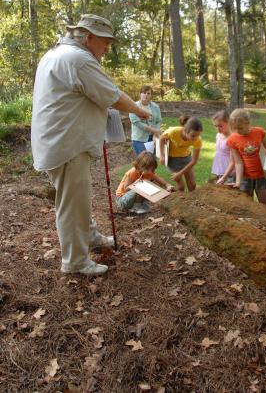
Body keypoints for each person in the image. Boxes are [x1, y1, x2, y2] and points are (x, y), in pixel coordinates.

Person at [31, 14, 150, 276]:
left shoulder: (57, 54)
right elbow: (112, 95)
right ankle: (74, 261)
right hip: (65, 144)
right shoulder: (79, 59)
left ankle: (91, 237)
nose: (107, 48)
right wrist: (139, 111)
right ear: (89, 37)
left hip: (58, 141)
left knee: (78, 199)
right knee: (72, 205)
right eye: (105, 42)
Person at [226, 108, 266, 205]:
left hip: (261, 176)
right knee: (247, 206)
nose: (237, 131)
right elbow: (238, 162)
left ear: (248, 122)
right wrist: (238, 182)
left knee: (265, 206)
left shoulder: (260, 132)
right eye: (235, 128)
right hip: (245, 179)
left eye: (240, 128)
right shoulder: (232, 139)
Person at [159, 116, 203, 191]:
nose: (195, 138)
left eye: (198, 135)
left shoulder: (198, 140)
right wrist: (162, 155)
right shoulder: (173, 132)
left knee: (192, 186)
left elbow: (194, 161)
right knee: (181, 187)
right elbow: (161, 139)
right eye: (193, 135)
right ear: (185, 130)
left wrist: (179, 173)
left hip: (186, 159)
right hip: (172, 160)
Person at [129, 85, 162, 155]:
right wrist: (155, 131)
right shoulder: (133, 107)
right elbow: (137, 123)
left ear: (151, 95)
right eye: (144, 93)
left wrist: (155, 134)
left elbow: (159, 121)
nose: (146, 95)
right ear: (140, 94)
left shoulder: (155, 107)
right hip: (139, 139)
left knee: (151, 161)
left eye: (148, 93)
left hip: (152, 137)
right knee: (143, 162)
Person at [210, 110, 236, 184]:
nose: (218, 129)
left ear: (229, 123)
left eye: (220, 126)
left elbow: (233, 161)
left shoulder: (232, 138)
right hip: (219, 169)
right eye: (215, 126)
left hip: (228, 171)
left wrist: (225, 176)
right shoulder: (218, 135)